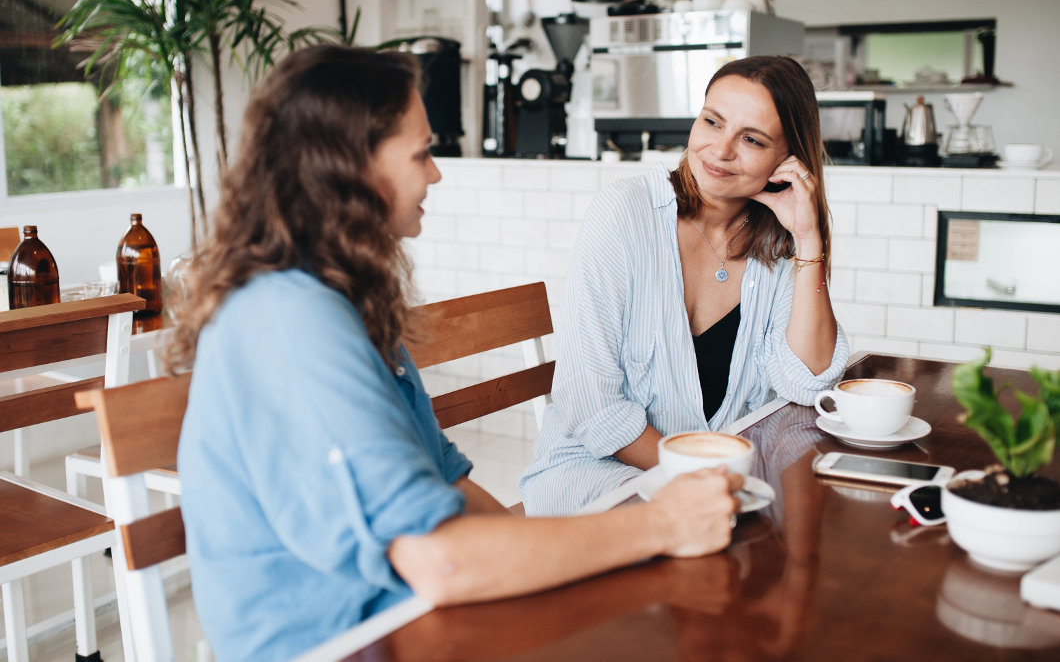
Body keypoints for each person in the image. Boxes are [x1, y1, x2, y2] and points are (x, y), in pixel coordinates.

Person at [171, 45, 742, 662]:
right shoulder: (289, 319)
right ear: (347, 168)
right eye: (421, 153)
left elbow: (448, 482)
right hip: (343, 644)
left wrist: (550, 560)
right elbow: (440, 560)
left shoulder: (340, 298)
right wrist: (661, 524)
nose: (435, 173)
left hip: (411, 623)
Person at [519, 56, 850, 517]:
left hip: (714, 487)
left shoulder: (779, 243)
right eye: (712, 122)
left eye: (752, 139)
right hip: (592, 475)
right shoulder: (624, 212)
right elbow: (590, 402)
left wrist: (808, 239)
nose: (719, 150)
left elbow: (805, 383)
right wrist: (702, 480)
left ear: (787, 159)